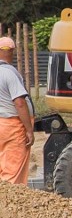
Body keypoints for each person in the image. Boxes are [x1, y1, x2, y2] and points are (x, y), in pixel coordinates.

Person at [0, 37, 35, 185]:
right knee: (13, 170)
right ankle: (10, 205)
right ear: (13, 51)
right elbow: (20, 103)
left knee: (3, 164)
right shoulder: (9, 73)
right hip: (13, 127)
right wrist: (29, 130)